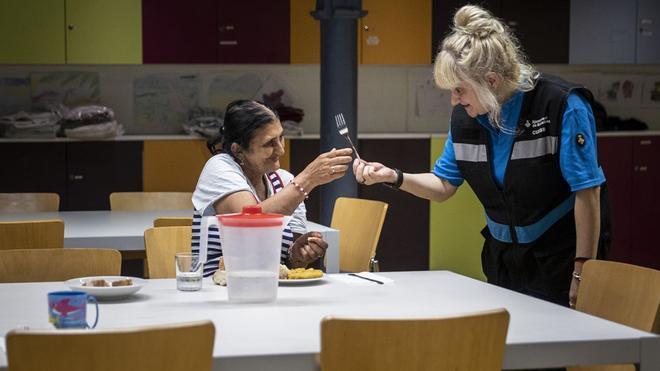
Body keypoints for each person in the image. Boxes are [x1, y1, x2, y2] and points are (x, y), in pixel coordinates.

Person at [353, 5, 605, 308]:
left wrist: (582, 271)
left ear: (492, 81)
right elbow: (443, 185)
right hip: (503, 257)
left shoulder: (561, 105)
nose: (454, 100)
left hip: (561, 257)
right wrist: (393, 176)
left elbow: (587, 192)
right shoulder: (467, 117)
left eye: (460, 90)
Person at [192, 99, 353, 276]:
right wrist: (308, 179)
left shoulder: (285, 181)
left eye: (281, 138)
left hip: (268, 288)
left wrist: (298, 254)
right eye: (269, 143)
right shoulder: (219, 168)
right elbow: (250, 222)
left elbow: (288, 263)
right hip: (216, 290)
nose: (281, 150)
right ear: (238, 150)